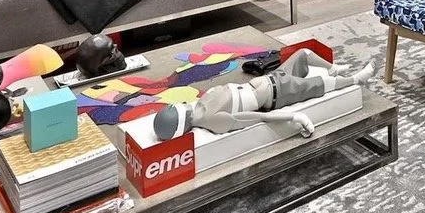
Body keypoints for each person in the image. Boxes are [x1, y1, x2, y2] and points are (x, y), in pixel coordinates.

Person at [153, 49, 373, 139]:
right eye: (172, 110)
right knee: (322, 84)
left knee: (303, 53)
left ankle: (333, 67)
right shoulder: (213, 120)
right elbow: (259, 118)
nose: (174, 105)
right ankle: (356, 79)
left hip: (273, 78)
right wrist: (294, 117)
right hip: (279, 92)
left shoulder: (199, 103)